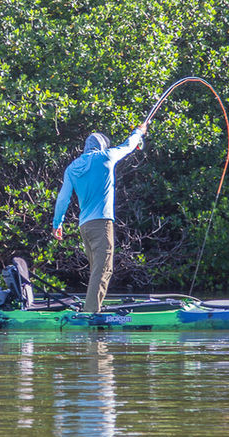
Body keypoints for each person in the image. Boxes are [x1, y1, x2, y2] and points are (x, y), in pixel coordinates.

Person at [52, 123, 147, 313]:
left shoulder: (72, 168)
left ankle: (92, 306)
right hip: (101, 223)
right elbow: (128, 146)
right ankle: (91, 313)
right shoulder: (106, 157)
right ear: (102, 146)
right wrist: (139, 132)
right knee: (104, 269)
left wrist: (57, 223)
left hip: (84, 227)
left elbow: (63, 198)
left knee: (97, 269)